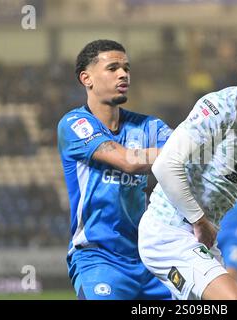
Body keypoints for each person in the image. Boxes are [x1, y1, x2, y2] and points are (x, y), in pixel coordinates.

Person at [138, 38, 237, 300]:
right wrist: (199, 221)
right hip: (170, 231)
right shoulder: (220, 107)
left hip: (204, 240)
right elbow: (165, 164)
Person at [57, 39, 172, 300]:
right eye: (112, 68)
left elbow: (186, 157)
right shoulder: (74, 124)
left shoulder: (149, 126)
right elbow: (128, 161)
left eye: (126, 68)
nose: (123, 74)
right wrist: (177, 153)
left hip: (150, 256)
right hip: (99, 259)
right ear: (87, 78)